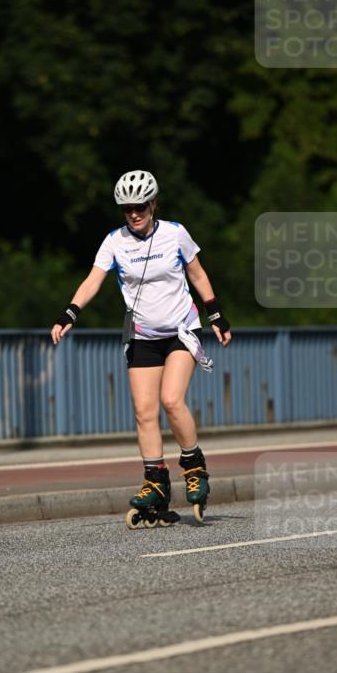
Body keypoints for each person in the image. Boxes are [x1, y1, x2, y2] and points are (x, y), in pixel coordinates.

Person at [50, 170, 231, 528]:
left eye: (140, 207)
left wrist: (216, 315)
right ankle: (156, 484)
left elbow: (197, 274)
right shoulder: (114, 242)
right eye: (127, 208)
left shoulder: (175, 233)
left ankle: (194, 468)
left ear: (153, 205)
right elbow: (93, 280)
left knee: (171, 400)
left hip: (181, 330)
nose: (134, 214)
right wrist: (70, 313)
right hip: (142, 335)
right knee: (144, 411)